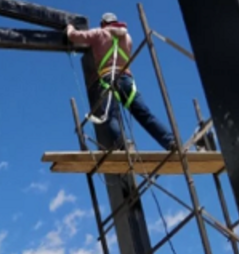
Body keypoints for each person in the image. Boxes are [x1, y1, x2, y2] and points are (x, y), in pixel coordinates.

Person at [66, 13, 176, 151]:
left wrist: (69, 26)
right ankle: (170, 141)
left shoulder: (99, 33)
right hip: (126, 80)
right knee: (144, 114)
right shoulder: (127, 38)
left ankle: (124, 145)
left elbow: (73, 36)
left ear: (103, 23)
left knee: (111, 116)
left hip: (107, 79)